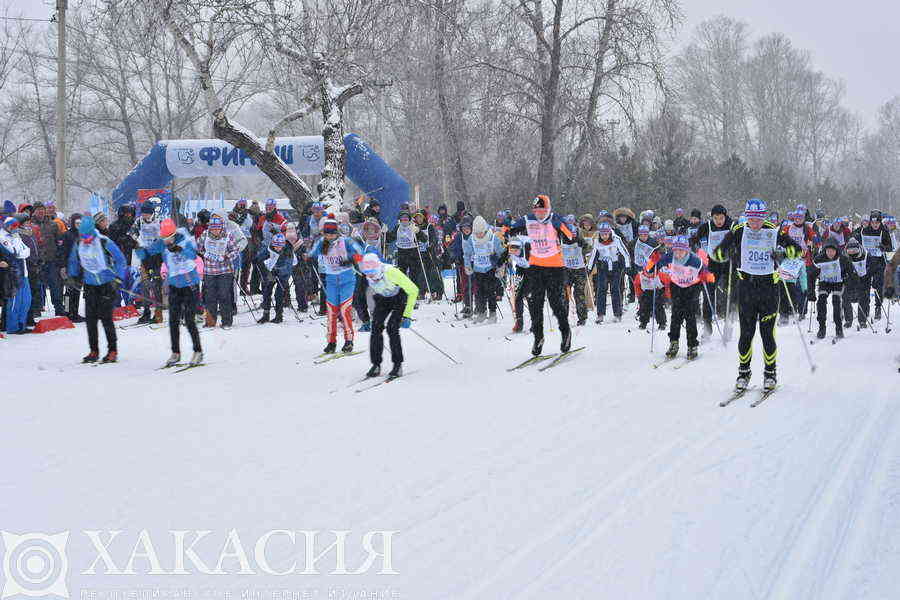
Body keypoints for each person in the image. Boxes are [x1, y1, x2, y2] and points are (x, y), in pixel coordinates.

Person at [711, 198, 803, 392]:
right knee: (746, 334)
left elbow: (797, 251)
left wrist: (782, 254)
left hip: (769, 288)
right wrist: (729, 253)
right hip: (746, 287)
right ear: (746, 217)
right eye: (751, 219)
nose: (755, 223)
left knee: (767, 334)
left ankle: (770, 373)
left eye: (758, 219)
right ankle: (744, 373)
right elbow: (717, 254)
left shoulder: (773, 230)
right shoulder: (738, 231)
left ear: (764, 217)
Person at [505, 195, 574, 356]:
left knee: (556, 303)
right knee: (535, 304)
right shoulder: (528, 219)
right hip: (535, 266)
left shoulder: (555, 219)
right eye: (537, 210)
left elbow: (570, 236)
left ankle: (566, 333)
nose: (539, 214)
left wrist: (562, 226)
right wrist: (507, 230)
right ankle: (538, 337)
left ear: (548, 209)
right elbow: (510, 229)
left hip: (555, 267)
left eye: (543, 210)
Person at [137, 218, 204, 367]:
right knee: (173, 320)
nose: (166, 242)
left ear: (174, 234)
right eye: (164, 238)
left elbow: (193, 255)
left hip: (190, 285)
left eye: (169, 238)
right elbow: (148, 252)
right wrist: (138, 249)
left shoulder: (186, 239)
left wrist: (180, 249)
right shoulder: (163, 243)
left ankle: (198, 351)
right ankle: (176, 353)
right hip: (174, 286)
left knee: (189, 320)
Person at [66, 216, 127, 363]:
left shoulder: (104, 242)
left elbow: (120, 260)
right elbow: (73, 260)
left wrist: (118, 278)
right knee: (91, 320)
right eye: (82, 235)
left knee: (106, 319)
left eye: (87, 235)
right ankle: (94, 350)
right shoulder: (79, 242)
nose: (85, 238)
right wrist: (72, 276)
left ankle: (112, 350)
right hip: (90, 285)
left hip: (107, 284)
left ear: (93, 231)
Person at [648, 235, 712, 360]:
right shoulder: (670, 257)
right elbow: (654, 267)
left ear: (687, 250)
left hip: (692, 287)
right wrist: (653, 263)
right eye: (675, 250)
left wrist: (706, 276)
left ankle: (692, 345)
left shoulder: (694, 260)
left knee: (690, 316)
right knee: (676, 316)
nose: (678, 253)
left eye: (681, 250)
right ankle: (674, 342)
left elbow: (705, 272)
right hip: (676, 286)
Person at [358, 253, 419, 379]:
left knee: (392, 328)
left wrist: (407, 315)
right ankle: (376, 364)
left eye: (373, 274)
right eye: (368, 274)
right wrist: (365, 318)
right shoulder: (366, 276)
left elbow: (413, 290)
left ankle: (397, 364)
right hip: (383, 298)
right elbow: (360, 297)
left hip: (398, 298)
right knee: (376, 328)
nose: (371, 277)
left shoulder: (390, 272)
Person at [308, 217, 363, 353]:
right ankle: (331, 342)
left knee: (344, 310)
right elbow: (313, 254)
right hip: (331, 281)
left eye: (332, 233)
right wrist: (308, 256)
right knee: (332, 312)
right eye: (327, 233)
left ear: (337, 232)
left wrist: (349, 259)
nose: (329, 236)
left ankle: (349, 341)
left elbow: (361, 254)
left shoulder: (346, 241)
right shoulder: (323, 243)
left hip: (347, 280)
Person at [691, 204, 734, 337]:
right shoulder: (707, 226)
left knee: (729, 292)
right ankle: (707, 326)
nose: (719, 221)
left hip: (728, 263)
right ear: (712, 217)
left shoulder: (732, 225)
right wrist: (693, 247)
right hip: (713, 263)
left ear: (725, 216)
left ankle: (728, 323)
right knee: (708, 294)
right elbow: (695, 239)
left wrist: (735, 249)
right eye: (716, 218)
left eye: (721, 218)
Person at [197, 215, 240, 328]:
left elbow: (235, 250)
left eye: (218, 228)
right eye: (213, 228)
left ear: (221, 227)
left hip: (224, 270)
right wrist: (203, 253)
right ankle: (211, 321)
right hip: (209, 271)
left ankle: (226, 321)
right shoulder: (205, 235)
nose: (216, 231)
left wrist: (226, 257)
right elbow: (198, 247)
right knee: (210, 297)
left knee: (224, 295)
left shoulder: (228, 235)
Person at [852, 209, 894, 320]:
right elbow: (855, 239)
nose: (875, 225)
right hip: (866, 263)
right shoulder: (864, 230)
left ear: (880, 222)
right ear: (870, 222)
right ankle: (865, 308)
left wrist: (884, 247)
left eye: (877, 223)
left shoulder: (883, 231)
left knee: (877, 286)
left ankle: (878, 308)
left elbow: (890, 247)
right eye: (873, 223)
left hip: (879, 262)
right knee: (865, 286)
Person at [462, 215, 504, 323]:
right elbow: (467, 254)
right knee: (479, 292)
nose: (479, 235)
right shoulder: (472, 239)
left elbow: (501, 253)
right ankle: (481, 312)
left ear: (485, 230)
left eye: (481, 232)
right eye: (477, 233)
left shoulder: (493, 238)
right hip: (478, 269)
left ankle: (493, 313)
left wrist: (501, 267)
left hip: (490, 269)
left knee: (490, 291)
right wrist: (467, 265)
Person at [808, 238, 851, 340]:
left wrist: (849, 284)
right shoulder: (819, 259)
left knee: (836, 302)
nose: (830, 253)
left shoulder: (843, 259)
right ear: (825, 250)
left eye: (832, 251)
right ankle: (822, 327)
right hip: (825, 282)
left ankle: (839, 328)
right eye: (828, 251)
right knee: (821, 301)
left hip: (838, 282)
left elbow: (852, 274)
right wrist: (811, 292)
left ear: (836, 250)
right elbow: (811, 276)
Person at [590, 221, 630, 323]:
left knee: (615, 289)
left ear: (610, 233)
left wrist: (627, 265)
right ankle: (600, 314)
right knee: (601, 290)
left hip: (616, 267)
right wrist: (589, 267)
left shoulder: (616, 239)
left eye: (606, 234)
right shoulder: (597, 241)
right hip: (603, 267)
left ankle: (617, 314)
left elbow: (625, 253)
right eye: (602, 234)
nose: (604, 236)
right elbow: (593, 255)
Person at [132, 202, 165, 324]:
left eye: (147, 213)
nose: (145, 215)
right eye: (143, 213)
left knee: (156, 286)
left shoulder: (159, 221)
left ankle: (158, 313)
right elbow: (132, 233)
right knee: (145, 285)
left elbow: (166, 236)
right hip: (144, 255)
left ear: (152, 213)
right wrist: (136, 240)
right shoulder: (139, 221)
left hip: (156, 256)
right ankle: (146, 312)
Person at [0, 216, 32, 334]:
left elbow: (27, 250)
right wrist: (21, 253)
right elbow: (14, 252)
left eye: (15, 226)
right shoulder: (2, 236)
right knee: (15, 300)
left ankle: (21, 324)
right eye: (11, 226)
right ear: (6, 226)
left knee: (26, 300)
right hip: (12, 273)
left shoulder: (16, 236)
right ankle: (13, 326)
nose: (13, 228)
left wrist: (21, 253)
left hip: (23, 272)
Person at [256, 233, 297, 324]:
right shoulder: (270, 248)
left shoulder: (288, 251)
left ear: (283, 245)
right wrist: (258, 260)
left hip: (284, 274)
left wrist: (279, 270)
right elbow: (260, 257)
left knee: (278, 294)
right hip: (272, 271)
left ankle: (279, 315)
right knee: (266, 291)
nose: (277, 248)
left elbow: (289, 266)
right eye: (275, 246)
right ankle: (265, 315)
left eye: (280, 246)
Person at [632, 225, 666, 330]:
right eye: (641, 235)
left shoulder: (654, 243)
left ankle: (662, 322)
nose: (643, 237)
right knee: (645, 301)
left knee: (658, 302)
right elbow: (634, 257)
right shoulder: (635, 243)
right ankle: (643, 322)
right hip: (644, 274)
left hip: (655, 274)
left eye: (645, 234)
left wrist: (656, 264)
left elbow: (661, 255)